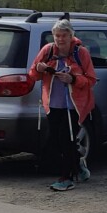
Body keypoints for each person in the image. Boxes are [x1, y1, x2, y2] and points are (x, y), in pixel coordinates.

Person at [29, 19, 97, 191]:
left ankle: (66, 177)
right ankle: (78, 165)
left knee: (66, 139)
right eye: (57, 36)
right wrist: (40, 68)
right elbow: (33, 74)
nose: (60, 39)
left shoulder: (81, 53)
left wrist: (72, 79)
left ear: (71, 35)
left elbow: (91, 80)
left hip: (74, 105)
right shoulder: (47, 50)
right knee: (57, 140)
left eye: (64, 36)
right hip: (52, 104)